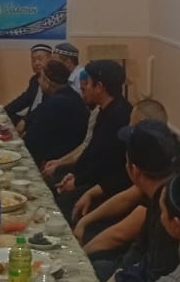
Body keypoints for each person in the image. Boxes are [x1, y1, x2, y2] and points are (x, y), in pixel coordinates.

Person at [75, 99, 180, 256]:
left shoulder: (168, 184)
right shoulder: (164, 151)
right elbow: (128, 197)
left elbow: (120, 234)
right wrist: (85, 218)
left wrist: (79, 256)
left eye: (132, 126)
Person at [89, 120, 180, 282]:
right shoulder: (160, 189)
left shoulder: (168, 210)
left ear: (134, 171)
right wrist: (119, 275)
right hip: (135, 271)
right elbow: (140, 247)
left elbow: (157, 278)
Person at [48, 60, 131, 216]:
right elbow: (91, 149)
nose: (84, 88)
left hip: (106, 186)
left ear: (99, 87)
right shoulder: (104, 110)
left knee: (58, 206)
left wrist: (77, 182)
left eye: (87, 83)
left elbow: (106, 162)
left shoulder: (120, 116)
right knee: (50, 183)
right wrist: (75, 174)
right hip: (91, 176)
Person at [21, 58, 90, 169]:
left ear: (47, 82)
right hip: (69, 160)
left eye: (41, 78)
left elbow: (31, 142)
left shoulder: (55, 103)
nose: (39, 81)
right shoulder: (70, 94)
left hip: (57, 164)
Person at [5, 43, 52, 131]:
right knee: (6, 118)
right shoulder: (34, 80)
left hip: (43, 121)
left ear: (50, 59)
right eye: (33, 60)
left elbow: (45, 107)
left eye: (40, 59)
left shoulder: (53, 82)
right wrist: (4, 110)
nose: (36, 63)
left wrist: (25, 121)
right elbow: (24, 100)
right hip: (30, 117)